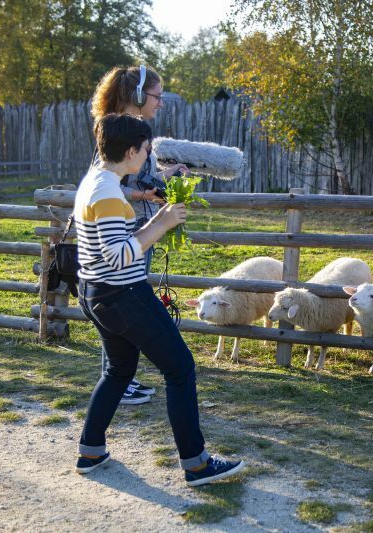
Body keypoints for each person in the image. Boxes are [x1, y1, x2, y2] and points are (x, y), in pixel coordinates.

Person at [74, 113, 245, 486]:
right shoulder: (106, 192)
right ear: (131, 151)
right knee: (180, 368)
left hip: (96, 292)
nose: (148, 156)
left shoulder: (97, 181)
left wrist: (156, 219)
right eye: (146, 149)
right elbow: (118, 255)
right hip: (123, 294)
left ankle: (91, 450)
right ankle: (196, 464)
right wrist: (162, 224)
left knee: (118, 371)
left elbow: (113, 241)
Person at [89, 65, 189, 405]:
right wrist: (143, 195)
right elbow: (106, 184)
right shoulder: (116, 131)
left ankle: (123, 378)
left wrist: (168, 175)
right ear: (137, 95)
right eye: (156, 96)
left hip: (139, 227)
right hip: (123, 231)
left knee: (126, 306)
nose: (160, 102)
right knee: (122, 305)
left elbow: (137, 177)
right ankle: (119, 379)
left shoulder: (133, 131)